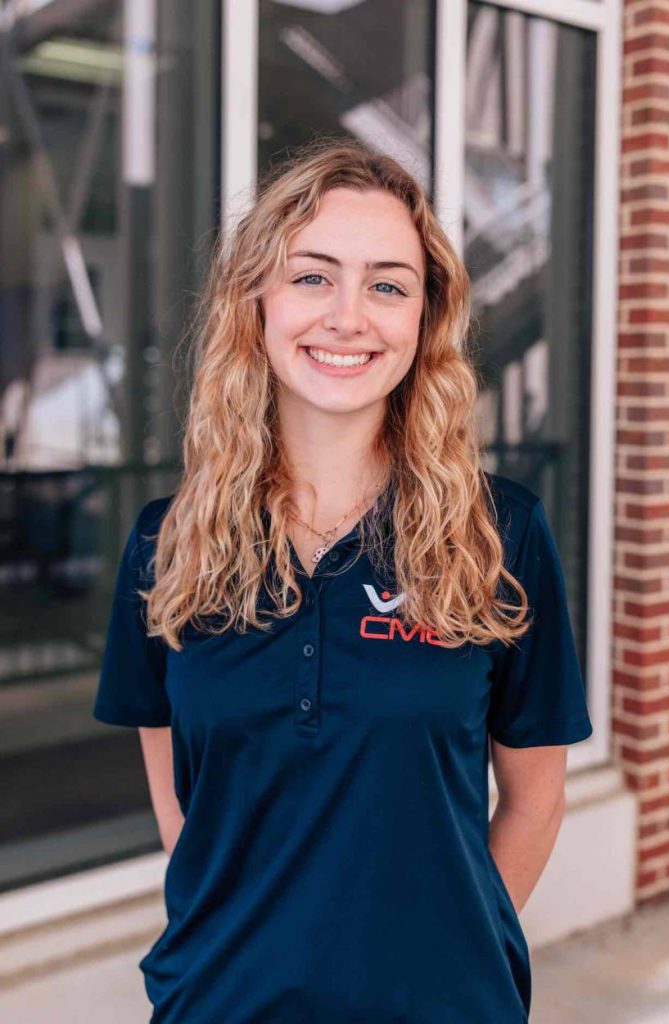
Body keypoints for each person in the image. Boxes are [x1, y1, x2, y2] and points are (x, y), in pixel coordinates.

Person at [93, 137, 593, 1023]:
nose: (349, 316)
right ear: (256, 303)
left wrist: (455, 952)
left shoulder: (500, 536)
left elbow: (535, 798)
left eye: (387, 284)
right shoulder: (168, 548)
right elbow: (185, 811)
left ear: (423, 319)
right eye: (313, 277)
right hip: (221, 1006)